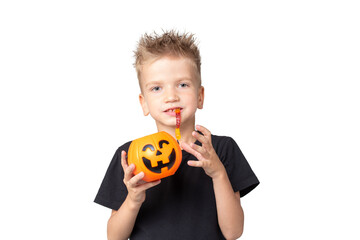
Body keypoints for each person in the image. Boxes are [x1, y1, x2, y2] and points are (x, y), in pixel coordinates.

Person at [94, 30, 260, 240]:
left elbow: (233, 232)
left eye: (182, 85)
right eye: (156, 88)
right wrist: (133, 198)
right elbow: (114, 237)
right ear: (143, 103)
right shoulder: (129, 156)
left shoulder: (222, 149)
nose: (171, 96)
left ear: (200, 97)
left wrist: (218, 174)